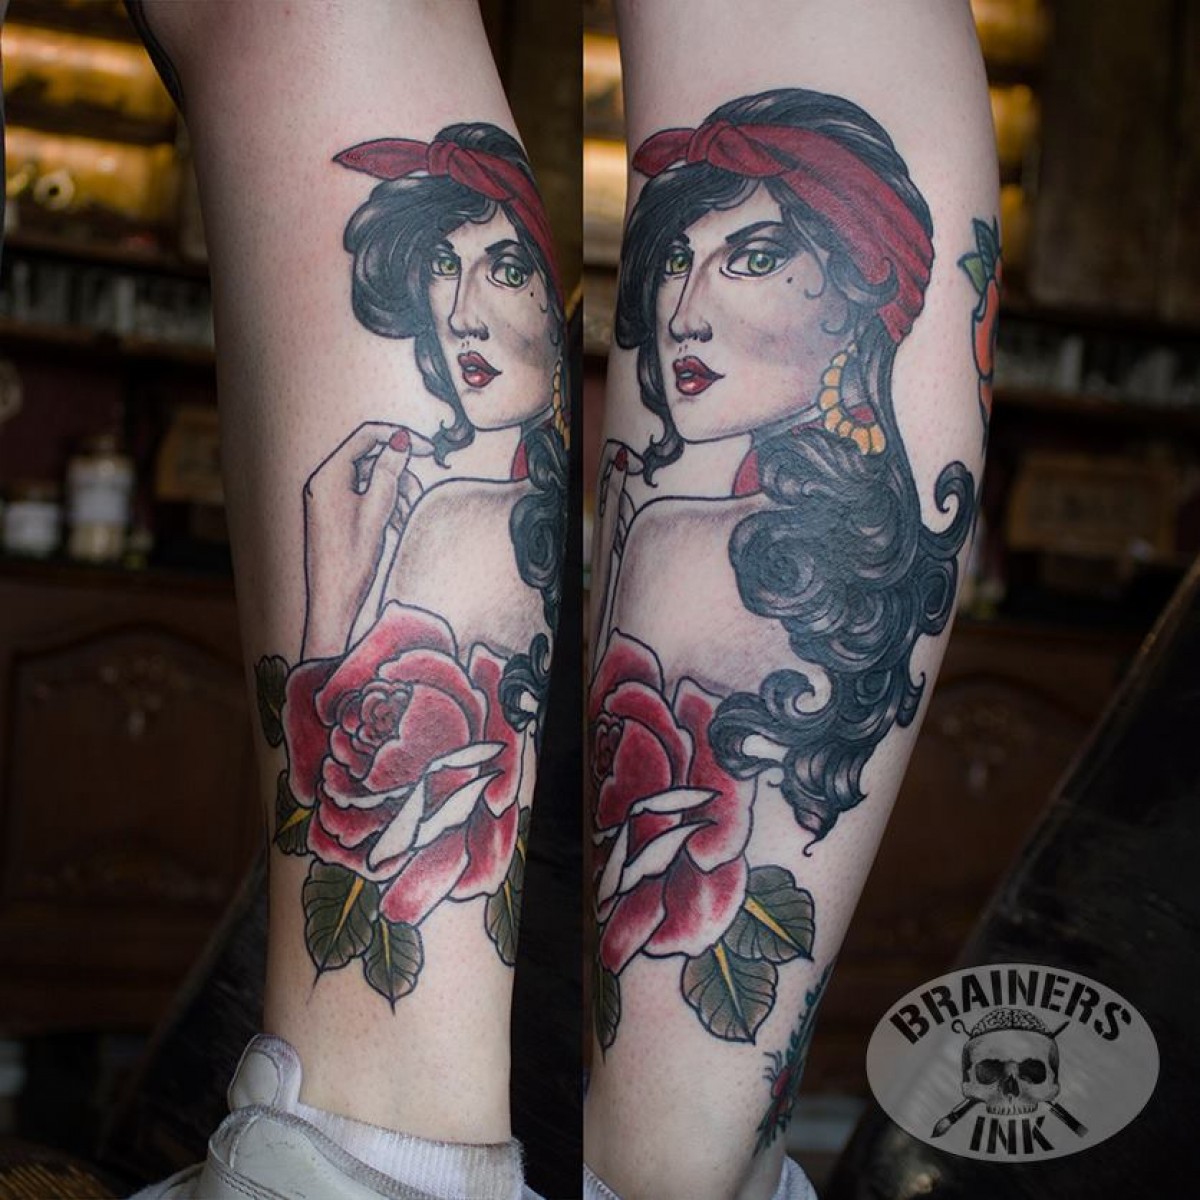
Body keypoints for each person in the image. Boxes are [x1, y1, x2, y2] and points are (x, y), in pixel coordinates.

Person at [114, 4, 570, 1198]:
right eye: (439, 269)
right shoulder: (429, 502)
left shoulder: (469, 521)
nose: (460, 313)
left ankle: (374, 1152)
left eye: (502, 266)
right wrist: (338, 598)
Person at [585, 5, 996, 1199]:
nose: (685, 309)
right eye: (676, 258)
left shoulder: (712, 544)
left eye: (754, 256)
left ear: (854, 297)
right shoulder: (691, 520)